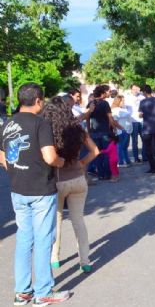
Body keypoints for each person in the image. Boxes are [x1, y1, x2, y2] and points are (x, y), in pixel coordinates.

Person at [0, 83, 71, 305]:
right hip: (41, 189)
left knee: (24, 240)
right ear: (38, 100)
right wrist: (62, 162)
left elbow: (3, 158)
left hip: (18, 189)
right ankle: (43, 293)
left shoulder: (7, 123)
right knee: (43, 240)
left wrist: (17, 170)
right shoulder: (41, 124)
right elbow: (50, 157)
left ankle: (22, 293)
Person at [41, 97, 101, 274]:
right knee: (78, 221)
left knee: (57, 220)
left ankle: (55, 258)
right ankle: (85, 261)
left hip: (57, 181)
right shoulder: (77, 129)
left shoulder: (47, 131)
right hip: (78, 180)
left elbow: (47, 158)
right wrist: (82, 163)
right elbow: (95, 151)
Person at [87, 85, 121, 180]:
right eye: (106, 92)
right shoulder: (105, 103)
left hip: (94, 132)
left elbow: (87, 117)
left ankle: (101, 174)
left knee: (97, 153)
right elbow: (110, 118)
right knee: (107, 154)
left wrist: (89, 130)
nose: (107, 93)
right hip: (105, 132)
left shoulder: (91, 103)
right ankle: (107, 174)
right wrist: (114, 128)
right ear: (102, 94)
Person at [138, 85, 155, 174]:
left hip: (147, 128)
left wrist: (145, 115)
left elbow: (140, 115)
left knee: (148, 148)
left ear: (145, 92)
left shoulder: (142, 102)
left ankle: (152, 167)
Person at [124, 85, 146, 164]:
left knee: (144, 139)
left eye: (137, 89)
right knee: (134, 141)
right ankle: (136, 158)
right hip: (133, 121)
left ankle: (144, 156)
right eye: (134, 89)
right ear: (131, 90)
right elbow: (124, 108)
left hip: (142, 120)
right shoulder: (127, 98)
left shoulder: (142, 97)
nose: (135, 90)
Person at [111, 95, 133, 167]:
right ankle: (121, 162)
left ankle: (127, 160)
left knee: (124, 147)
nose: (124, 102)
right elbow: (114, 121)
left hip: (126, 130)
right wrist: (121, 128)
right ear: (118, 101)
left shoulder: (123, 109)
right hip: (121, 130)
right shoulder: (115, 110)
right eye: (122, 101)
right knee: (120, 146)